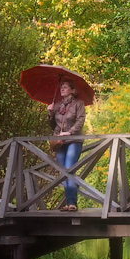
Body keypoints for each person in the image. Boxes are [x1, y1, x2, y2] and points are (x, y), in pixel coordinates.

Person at [47, 79, 86, 211]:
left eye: (65, 87)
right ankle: (70, 202)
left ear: (72, 90)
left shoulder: (79, 104)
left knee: (69, 169)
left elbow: (80, 121)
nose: (62, 89)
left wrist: (69, 132)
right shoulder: (57, 105)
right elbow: (53, 125)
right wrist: (50, 113)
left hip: (74, 140)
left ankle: (72, 203)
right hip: (59, 142)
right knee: (64, 172)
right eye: (61, 87)